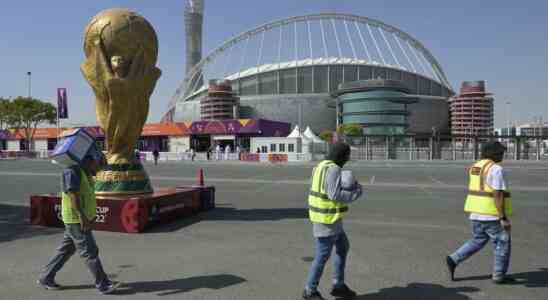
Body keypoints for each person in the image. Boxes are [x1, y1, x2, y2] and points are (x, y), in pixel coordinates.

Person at [37, 154, 119, 294]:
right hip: (76, 219)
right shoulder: (72, 171)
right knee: (90, 251)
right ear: (90, 160)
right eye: (99, 166)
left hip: (78, 218)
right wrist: (82, 217)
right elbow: (72, 195)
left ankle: (46, 277)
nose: (99, 170)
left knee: (66, 250)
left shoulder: (84, 172)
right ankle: (103, 284)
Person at [446, 141, 513, 284]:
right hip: (491, 214)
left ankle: (454, 258)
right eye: (500, 152)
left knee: (478, 240)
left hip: (476, 212)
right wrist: (503, 217)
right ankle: (499, 275)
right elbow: (498, 194)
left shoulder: (476, 166)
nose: (502, 155)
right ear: (493, 153)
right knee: (502, 242)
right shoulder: (496, 169)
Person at [303, 142, 363, 300]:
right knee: (322, 256)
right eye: (347, 156)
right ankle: (310, 290)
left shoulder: (320, 166)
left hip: (328, 219)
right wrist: (356, 192)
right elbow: (334, 195)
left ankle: (338, 285)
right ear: (341, 156)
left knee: (343, 247)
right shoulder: (334, 169)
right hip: (327, 220)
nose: (347, 159)